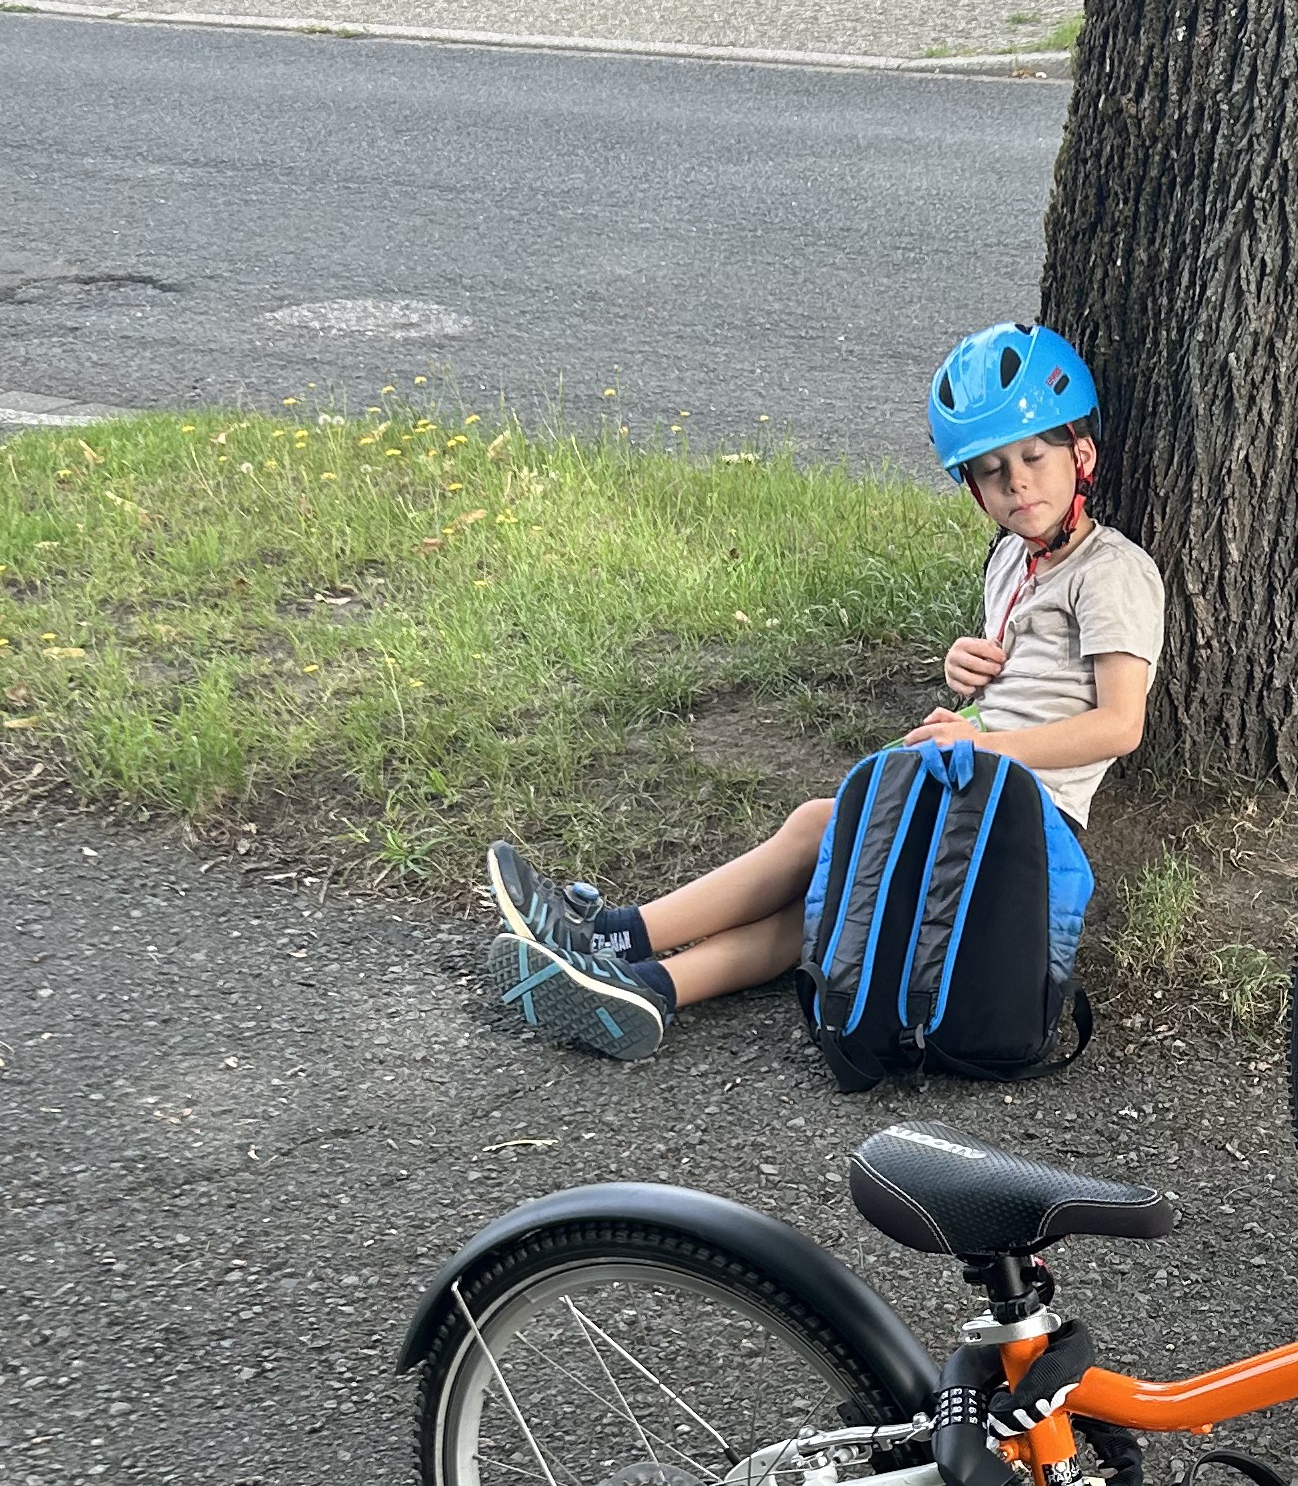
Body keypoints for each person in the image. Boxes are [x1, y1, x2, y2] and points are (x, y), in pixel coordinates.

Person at [480, 324, 1164, 1058]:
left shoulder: (1111, 571)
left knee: (819, 827)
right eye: (992, 470)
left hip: (1027, 820)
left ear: (1080, 456)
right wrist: (965, 681)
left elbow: (1120, 725)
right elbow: (1021, 688)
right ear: (972, 488)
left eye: (1033, 456)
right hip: (973, 786)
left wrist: (982, 741)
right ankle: (645, 988)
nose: (1017, 483)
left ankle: (611, 933)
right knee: (829, 902)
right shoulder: (1010, 562)